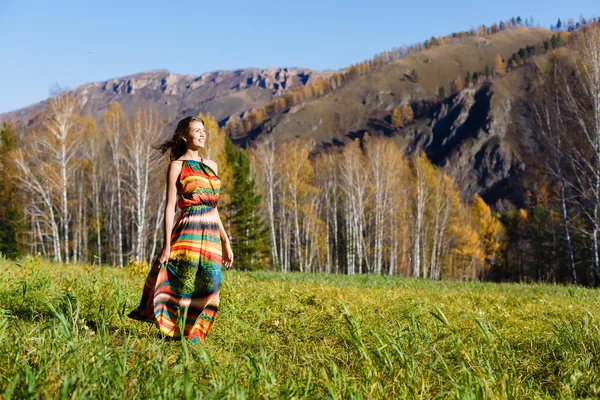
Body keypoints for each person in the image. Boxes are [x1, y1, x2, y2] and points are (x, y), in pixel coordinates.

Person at [127, 116, 233, 343]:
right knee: (183, 282)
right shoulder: (176, 167)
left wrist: (225, 241)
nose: (203, 134)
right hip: (188, 232)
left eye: (204, 130)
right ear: (184, 136)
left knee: (210, 283)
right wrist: (166, 245)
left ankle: (195, 332)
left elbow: (213, 207)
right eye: (197, 130)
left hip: (211, 235)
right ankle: (177, 331)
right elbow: (169, 208)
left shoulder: (211, 165)